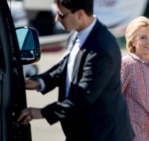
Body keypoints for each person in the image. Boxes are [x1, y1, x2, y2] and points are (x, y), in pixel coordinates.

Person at [17, 0, 134, 141]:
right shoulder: (78, 34)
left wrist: (41, 113)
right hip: (82, 132)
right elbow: (65, 67)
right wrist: (37, 82)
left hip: (102, 135)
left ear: (79, 15)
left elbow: (83, 97)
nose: (57, 19)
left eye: (61, 14)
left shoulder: (101, 48)